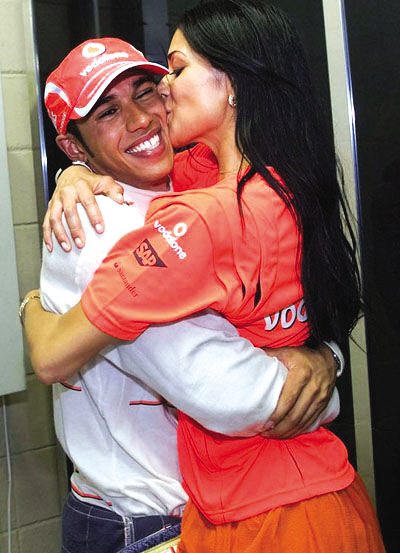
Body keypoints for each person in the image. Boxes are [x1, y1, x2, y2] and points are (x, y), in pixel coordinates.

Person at [22, 1, 386, 551]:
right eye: (108, 112)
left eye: (152, 87)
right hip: (149, 519)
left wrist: (326, 356)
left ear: (232, 83)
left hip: (247, 503)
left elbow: (312, 296)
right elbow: (229, 391)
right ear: (74, 146)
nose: (146, 114)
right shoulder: (104, 227)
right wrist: (32, 300)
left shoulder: (204, 184)